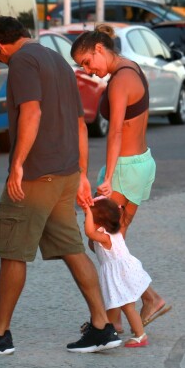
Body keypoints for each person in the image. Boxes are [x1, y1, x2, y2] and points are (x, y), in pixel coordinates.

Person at [0, 16, 121, 355]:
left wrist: (17, 165)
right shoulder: (57, 58)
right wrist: (82, 174)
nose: (1, 61)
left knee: (13, 250)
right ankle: (103, 326)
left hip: (35, 174)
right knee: (72, 248)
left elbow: (31, 112)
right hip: (65, 173)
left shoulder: (22, 61)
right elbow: (80, 123)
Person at [71, 24, 171, 333]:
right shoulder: (132, 68)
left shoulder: (119, 82)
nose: (88, 70)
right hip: (140, 162)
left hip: (125, 169)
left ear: (99, 49)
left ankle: (129, 311)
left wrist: (109, 177)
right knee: (114, 245)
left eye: (88, 62)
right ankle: (118, 318)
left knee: (102, 242)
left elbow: (115, 131)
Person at [81, 196, 151, 347]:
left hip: (120, 274)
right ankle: (107, 327)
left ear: (99, 222)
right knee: (113, 304)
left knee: (127, 306)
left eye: (87, 217)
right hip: (123, 271)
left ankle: (140, 335)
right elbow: (92, 242)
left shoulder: (105, 237)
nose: (85, 220)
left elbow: (88, 232)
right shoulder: (109, 231)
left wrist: (88, 209)